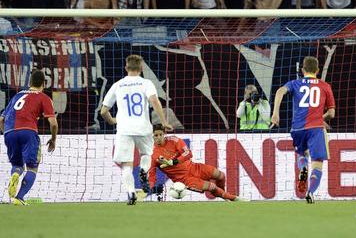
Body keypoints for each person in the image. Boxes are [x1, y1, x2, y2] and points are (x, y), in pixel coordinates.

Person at [100, 55, 173, 205]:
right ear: (140, 69)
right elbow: (155, 101)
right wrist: (164, 122)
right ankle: (143, 171)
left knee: (126, 164)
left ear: (126, 68)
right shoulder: (146, 83)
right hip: (143, 127)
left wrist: (112, 120)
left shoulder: (117, 85)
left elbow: (103, 111)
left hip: (124, 129)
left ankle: (131, 193)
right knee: (146, 154)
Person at [271, 56, 335, 203]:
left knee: (302, 154)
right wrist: (320, 117)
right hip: (316, 129)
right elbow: (332, 113)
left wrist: (275, 113)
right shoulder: (325, 86)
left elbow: (280, 91)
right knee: (317, 164)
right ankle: (310, 193)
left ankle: (303, 168)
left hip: (297, 128)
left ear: (302, 70)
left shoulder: (295, 83)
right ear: (317, 70)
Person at [0, 69, 58, 206]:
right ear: (44, 83)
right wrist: (53, 139)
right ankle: (19, 198)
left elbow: (0, 120)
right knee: (32, 167)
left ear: (29, 82)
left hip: (10, 132)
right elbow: (53, 123)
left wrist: (7, 136)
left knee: (17, 165)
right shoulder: (43, 98)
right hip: (28, 132)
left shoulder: (17, 96)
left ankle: (15, 175)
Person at [148, 124, 246, 201]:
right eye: (156, 135)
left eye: (161, 134)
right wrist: (151, 187)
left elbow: (188, 154)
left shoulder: (174, 140)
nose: (159, 137)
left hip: (194, 167)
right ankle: (234, 199)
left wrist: (174, 162)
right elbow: (152, 174)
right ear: (151, 136)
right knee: (211, 187)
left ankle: (225, 197)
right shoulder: (152, 154)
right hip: (184, 179)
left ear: (164, 134)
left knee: (221, 175)